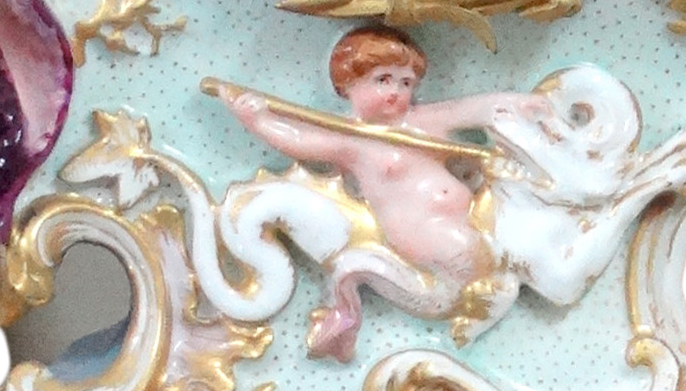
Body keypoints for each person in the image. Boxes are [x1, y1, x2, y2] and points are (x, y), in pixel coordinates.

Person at [217, 25, 552, 359]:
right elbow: (300, 141)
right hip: (423, 234)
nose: (396, 91)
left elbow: (472, 108)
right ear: (348, 84)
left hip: (472, 217)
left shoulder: (421, 121)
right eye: (383, 80)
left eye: (406, 83)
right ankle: (481, 301)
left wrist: (519, 104)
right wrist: (257, 119)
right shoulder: (352, 141)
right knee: (475, 261)